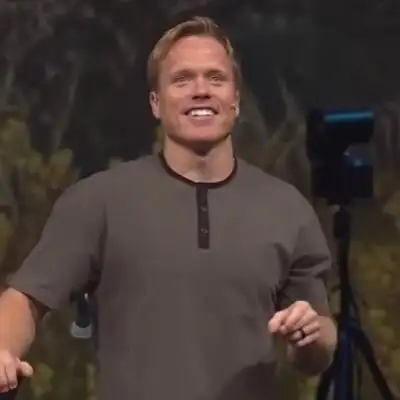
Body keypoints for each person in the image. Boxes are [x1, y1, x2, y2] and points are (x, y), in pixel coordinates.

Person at [0, 16, 337, 399]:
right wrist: (3, 350)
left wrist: (311, 336)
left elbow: (320, 344)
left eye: (216, 78)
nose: (201, 91)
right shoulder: (99, 201)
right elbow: (24, 299)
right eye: (182, 79)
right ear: (155, 103)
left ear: (236, 99)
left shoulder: (286, 209)